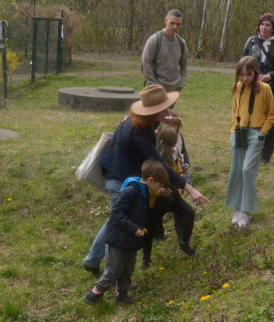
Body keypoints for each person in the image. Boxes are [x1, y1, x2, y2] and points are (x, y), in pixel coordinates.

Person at [82, 86, 209, 275]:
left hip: (114, 171)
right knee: (117, 225)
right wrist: (189, 189)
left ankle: (92, 261)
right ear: (153, 111)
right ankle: (112, 275)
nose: (167, 111)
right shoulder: (140, 133)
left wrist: (166, 120)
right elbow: (161, 164)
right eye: (164, 109)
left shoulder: (134, 118)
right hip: (119, 179)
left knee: (113, 220)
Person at [84, 160, 169, 305]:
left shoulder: (146, 192)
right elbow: (117, 212)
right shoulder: (131, 191)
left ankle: (122, 294)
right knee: (113, 270)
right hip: (118, 238)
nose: (160, 188)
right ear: (150, 180)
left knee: (127, 269)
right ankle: (94, 294)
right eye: (160, 185)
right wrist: (133, 228)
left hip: (132, 240)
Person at [226, 56, 274, 228]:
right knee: (237, 170)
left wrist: (262, 133)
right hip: (239, 132)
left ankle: (246, 210)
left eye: (248, 74)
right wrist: (233, 131)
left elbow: (271, 114)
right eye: (242, 75)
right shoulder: (238, 87)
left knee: (248, 170)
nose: (245, 78)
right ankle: (236, 207)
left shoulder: (265, 88)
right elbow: (235, 111)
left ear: (256, 72)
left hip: (256, 133)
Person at [140, 124, 198, 269]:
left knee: (188, 213)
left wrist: (181, 176)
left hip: (173, 194)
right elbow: (145, 181)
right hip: (156, 199)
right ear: (160, 143)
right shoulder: (151, 157)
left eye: (172, 145)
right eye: (167, 145)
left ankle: (184, 244)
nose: (170, 148)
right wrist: (157, 192)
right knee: (149, 227)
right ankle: (145, 259)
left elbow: (177, 170)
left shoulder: (172, 153)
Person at [241, 13, 274, 164]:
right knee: (250, 115)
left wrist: (271, 75)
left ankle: (265, 154)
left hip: (273, 87)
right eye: (262, 24)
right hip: (252, 86)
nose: (264, 27)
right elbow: (242, 60)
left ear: (273, 28)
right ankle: (249, 147)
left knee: (270, 119)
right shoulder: (251, 41)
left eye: (267, 25)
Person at [141, 9, 188, 92]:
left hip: (174, 92)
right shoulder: (154, 40)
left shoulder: (181, 43)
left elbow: (184, 67)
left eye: (178, 24)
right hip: (156, 92)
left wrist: (181, 85)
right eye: (172, 23)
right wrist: (155, 87)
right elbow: (145, 64)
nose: (175, 27)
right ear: (166, 20)